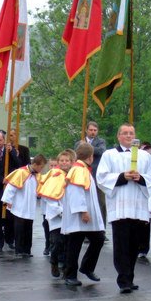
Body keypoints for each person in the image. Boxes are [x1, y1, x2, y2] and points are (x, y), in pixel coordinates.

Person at [97, 124, 151, 293]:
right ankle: (123, 279)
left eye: (131, 133)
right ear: (118, 136)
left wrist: (141, 178)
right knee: (121, 245)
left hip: (138, 207)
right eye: (125, 133)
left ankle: (130, 276)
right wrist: (122, 176)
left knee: (134, 245)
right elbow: (101, 177)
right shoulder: (109, 155)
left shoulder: (144, 156)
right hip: (120, 207)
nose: (128, 136)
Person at [62, 143, 106, 286]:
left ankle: (86, 267)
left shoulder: (82, 169)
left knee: (98, 239)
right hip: (80, 216)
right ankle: (70, 274)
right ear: (90, 156)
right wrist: (83, 211)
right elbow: (77, 193)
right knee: (75, 243)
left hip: (86, 215)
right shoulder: (79, 170)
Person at [2, 154, 47, 257]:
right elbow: (11, 187)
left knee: (28, 228)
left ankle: (27, 250)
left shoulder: (37, 175)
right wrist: (7, 201)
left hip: (30, 205)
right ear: (35, 164)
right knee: (19, 228)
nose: (42, 169)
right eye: (41, 167)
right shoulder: (21, 172)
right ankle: (19, 249)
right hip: (19, 205)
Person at [39, 150, 74, 277]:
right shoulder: (54, 176)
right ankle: (54, 262)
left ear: (71, 162)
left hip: (70, 214)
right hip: (56, 215)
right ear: (58, 163)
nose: (64, 163)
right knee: (57, 242)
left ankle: (65, 266)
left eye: (67, 160)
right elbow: (50, 197)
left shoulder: (73, 175)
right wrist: (60, 211)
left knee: (68, 242)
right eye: (62, 161)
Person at [75, 121, 108, 229]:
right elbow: (77, 154)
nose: (93, 132)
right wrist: (83, 147)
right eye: (91, 130)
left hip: (97, 176)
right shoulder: (79, 142)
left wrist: (86, 147)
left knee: (101, 202)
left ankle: (101, 228)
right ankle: (85, 229)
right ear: (86, 130)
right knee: (85, 203)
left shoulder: (100, 141)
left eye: (95, 130)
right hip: (82, 175)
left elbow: (101, 151)